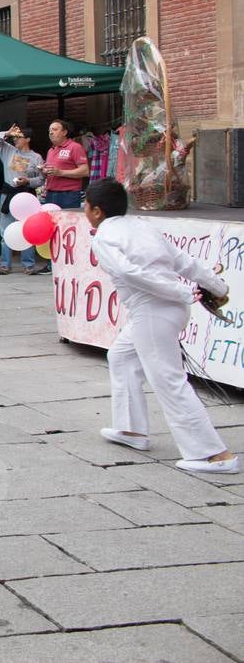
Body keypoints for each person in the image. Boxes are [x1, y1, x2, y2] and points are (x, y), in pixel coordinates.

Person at [85, 178, 237, 474]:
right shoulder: (140, 226)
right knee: (121, 356)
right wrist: (215, 286)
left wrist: (184, 291)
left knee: (169, 380)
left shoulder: (104, 238)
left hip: (153, 312)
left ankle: (213, 454)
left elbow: (130, 273)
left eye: (86, 205)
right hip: (166, 309)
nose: (85, 209)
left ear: (97, 211)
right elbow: (182, 261)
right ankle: (131, 429)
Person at [0, 125, 45, 275]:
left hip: (25, 195)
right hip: (8, 192)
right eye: (14, 137)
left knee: (26, 230)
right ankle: (5, 264)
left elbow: (41, 179)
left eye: (19, 137)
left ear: (27, 139)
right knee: (5, 230)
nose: (15, 140)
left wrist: (28, 181)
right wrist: (8, 133)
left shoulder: (36, 157)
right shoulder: (8, 150)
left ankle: (28, 264)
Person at [43, 118, 89, 209]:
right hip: (50, 193)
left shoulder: (75, 147)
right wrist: (44, 171)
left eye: (55, 130)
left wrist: (60, 172)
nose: (51, 133)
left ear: (64, 132)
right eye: (49, 130)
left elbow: (85, 171)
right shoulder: (50, 150)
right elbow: (52, 172)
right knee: (51, 222)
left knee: (68, 222)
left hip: (68, 194)